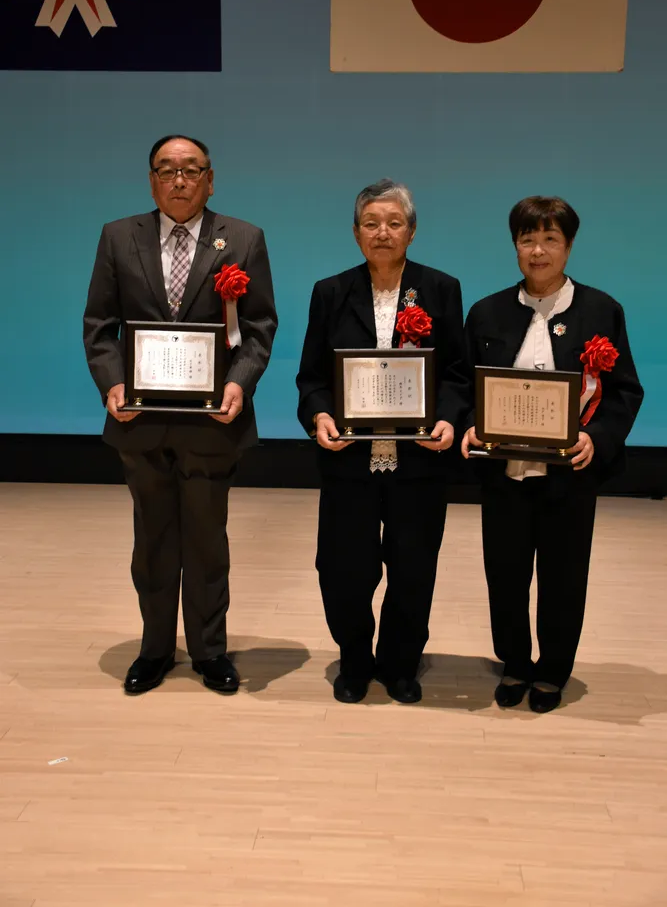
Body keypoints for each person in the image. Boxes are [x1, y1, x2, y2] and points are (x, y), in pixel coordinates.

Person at [83, 135, 277, 695]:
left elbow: (260, 328)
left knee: (207, 541)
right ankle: (155, 649)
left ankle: (210, 651)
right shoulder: (119, 237)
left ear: (210, 179)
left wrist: (239, 385)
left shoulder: (242, 238)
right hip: (140, 421)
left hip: (212, 421)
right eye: (166, 170)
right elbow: (99, 327)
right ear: (151, 180)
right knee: (153, 541)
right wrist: (113, 383)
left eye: (191, 170)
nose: (179, 180)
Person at [462, 196, 643, 713]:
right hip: (505, 475)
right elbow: (466, 387)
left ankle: (553, 671)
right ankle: (515, 663)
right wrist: (472, 422)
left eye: (550, 240)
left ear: (568, 246)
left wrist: (597, 438)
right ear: (515, 245)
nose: (537, 251)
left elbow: (625, 391)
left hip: (570, 478)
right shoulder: (487, 312)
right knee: (506, 573)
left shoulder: (601, 310)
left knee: (564, 577)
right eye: (527, 239)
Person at [297, 179, 468, 704]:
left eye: (394, 223)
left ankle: (399, 662)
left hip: (419, 460)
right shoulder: (330, 291)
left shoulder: (440, 289)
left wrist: (448, 419)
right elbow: (312, 378)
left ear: (411, 232)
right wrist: (320, 416)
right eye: (371, 223)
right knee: (343, 566)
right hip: (348, 460)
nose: (383, 232)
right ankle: (354, 658)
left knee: (414, 564)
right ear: (355, 233)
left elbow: (457, 374)